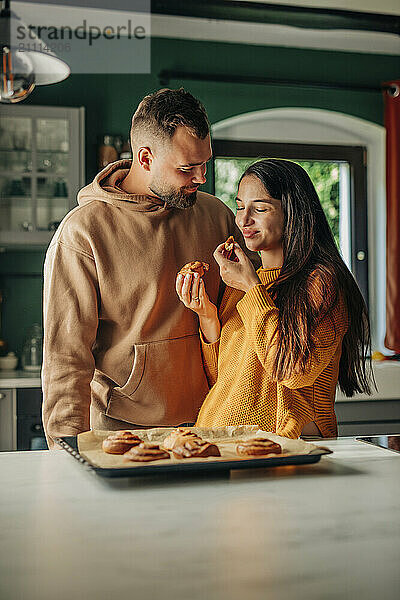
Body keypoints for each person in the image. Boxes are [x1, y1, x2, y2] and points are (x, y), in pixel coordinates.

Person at [42, 88, 255, 448]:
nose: (201, 177)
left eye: (206, 164)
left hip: (211, 423)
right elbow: (66, 356)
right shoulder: (83, 232)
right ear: (145, 158)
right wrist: (66, 449)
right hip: (121, 432)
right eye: (187, 168)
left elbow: (246, 315)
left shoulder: (215, 215)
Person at [176, 159, 372, 438]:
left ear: (292, 213)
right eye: (240, 206)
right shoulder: (242, 284)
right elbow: (226, 381)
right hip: (219, 446)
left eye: (260, 208)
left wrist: (252, 288)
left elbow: (293, 370)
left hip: (284, 451)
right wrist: (206, 314)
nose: (243, 220)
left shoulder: (321, 283)